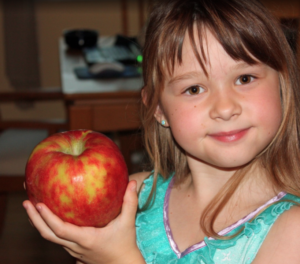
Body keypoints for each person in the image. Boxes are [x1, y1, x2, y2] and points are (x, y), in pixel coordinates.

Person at [23, 0, 300, 263]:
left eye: (244, 78)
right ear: (158, 109)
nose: (225, 108)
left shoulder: (292, 230)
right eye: (194, 89)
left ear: (282, 84)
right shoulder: (132, 198)